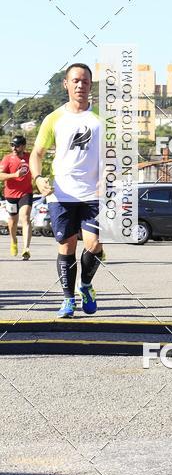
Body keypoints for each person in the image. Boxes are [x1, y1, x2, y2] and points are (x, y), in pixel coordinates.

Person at [29, 63, 105, 319]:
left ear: (90, 84)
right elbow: (37, 154)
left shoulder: (100, 120)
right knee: (67, 246)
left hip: (92, 194)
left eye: (85, 81)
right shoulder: (54, 118)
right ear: (66, 84)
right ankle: (68, 300)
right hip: (61, 194)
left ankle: (86, 286)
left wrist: (107, 179)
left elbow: (111, 156)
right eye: (75, 81)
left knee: (94, 245)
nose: (80, 85)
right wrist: (38, 178)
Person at [0, 135, 33, 260]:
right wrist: (15, 174)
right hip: (11, 194)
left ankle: (26, 248)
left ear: (23, 146)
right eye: (12, 145)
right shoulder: (7, 159)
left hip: (26, 193)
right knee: (13, 222)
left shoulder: (30, 157)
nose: (14, 148)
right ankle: (14, 241)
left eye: (17, 145)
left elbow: (36, 169)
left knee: (26, 217)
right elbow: (1, 175)